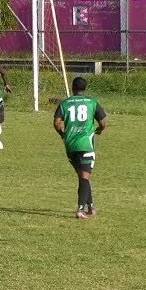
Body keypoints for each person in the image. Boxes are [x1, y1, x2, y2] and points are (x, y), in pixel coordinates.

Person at [53, 76, 107, 219]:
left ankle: (91, 207)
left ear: (72, 88)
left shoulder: (64, 104)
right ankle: (80, 209)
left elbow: (57, 123)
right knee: (84, 177)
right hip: (86, 145)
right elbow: (103, 123)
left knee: (83, 176)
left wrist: (62, 134)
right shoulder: (92, 103)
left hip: (70, 145)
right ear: (85, 88)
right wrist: (99, 131)